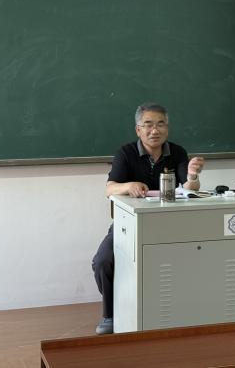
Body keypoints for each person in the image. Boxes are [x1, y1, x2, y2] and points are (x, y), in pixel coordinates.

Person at [91, 102, 205, 335]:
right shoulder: (126, 153)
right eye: (148, 125)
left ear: (167, 128)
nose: (155, 130)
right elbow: (109, 189)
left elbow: (189, 188)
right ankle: (111, 314)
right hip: (129, 225)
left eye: (161, 124)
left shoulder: (177, 152)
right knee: (103, 261)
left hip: (169, 225)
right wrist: (128, 186)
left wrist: (193, 176)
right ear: (138, 129)